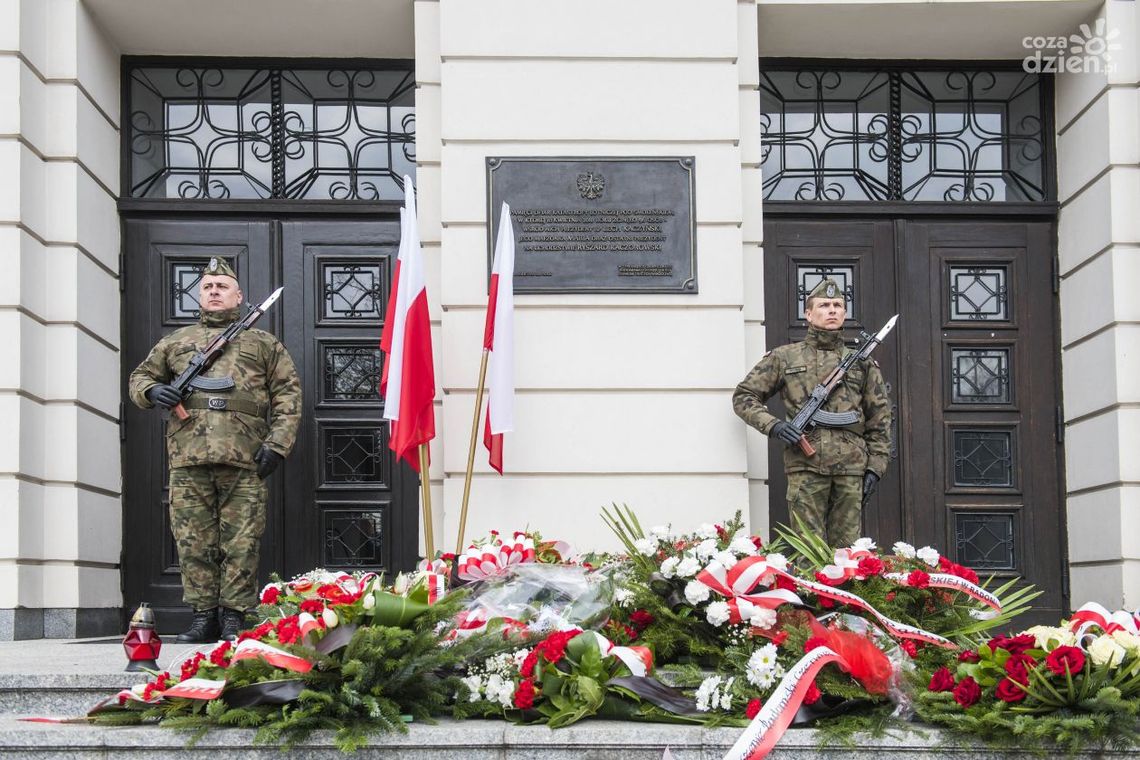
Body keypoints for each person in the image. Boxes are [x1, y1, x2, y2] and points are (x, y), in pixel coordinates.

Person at [128, 258, 301, 642]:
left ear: (238, 295)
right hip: (188, 459)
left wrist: (277, 445)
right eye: (207, 287)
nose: (214, 292)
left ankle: (235, 617)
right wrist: (155, 391)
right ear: (199, 295)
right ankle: (203, 616)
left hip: (246, 461)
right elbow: (140, 377)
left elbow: (288, 395)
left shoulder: (263, 343)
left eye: (222, 286)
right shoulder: (175, 342)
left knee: (242, 541)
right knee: (193, 543)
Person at [732, 278, 891, 547]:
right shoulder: (785, 358)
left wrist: (875, 468)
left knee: (848, 553)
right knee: (807, 549)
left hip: (851, 469)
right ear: (808, 313)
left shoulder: (863, 363)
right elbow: (744, 396)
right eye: (824, 305)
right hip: (806, 466)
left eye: (838, 305)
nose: (832, 310)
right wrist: (774, 426)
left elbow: (880, 419)